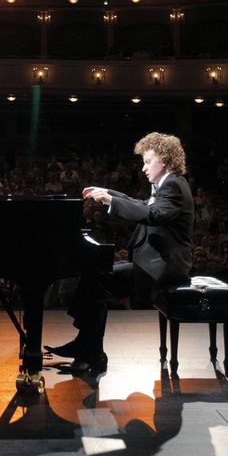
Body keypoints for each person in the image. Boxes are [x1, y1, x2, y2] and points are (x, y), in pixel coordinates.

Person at [45, 132, 194, 374]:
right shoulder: (167, 184)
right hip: (154, 263)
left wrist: (110, 200)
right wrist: (109, 194)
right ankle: (88, 348)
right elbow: (145, 205)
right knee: (95, 277)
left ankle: (89, 350)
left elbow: (153, 214)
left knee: (98, 279)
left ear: (164, 160)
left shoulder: (174, 185)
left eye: (147, 161)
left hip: (164, 269)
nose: (143, 168)